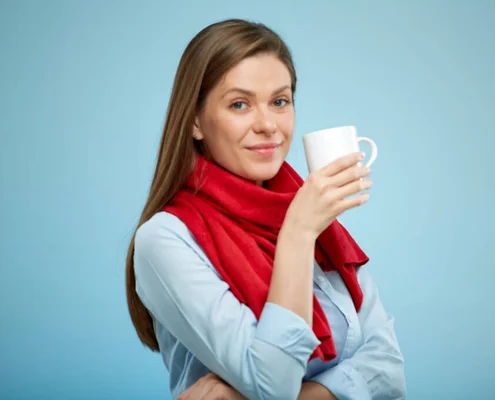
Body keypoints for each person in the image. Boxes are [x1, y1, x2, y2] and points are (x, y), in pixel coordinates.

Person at [125, 19, 406, 400]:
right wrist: (298, 233)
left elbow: (388, 370)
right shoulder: (166, 239)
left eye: (280, 101)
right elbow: (273, 385)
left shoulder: (312, 212)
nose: (268, 125)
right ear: (195, 122)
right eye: (240, 104)